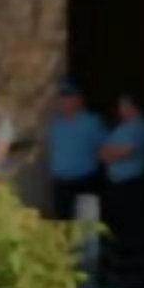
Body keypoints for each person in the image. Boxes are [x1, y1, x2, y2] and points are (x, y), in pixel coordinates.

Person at [96, 93, 144, 288]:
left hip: (132, 186)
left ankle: (135, 276)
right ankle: (117, 271)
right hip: (115, 186)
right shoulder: (121, 128)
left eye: (124, 106)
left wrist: (111, 152)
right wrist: (110, 153)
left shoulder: (142, 128)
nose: (121, 110)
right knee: (114, 230)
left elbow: (125, 152)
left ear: (134, 107)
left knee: (131, 230)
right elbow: (102, 153)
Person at [45, 77, 107, 222]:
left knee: (86, 224)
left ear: (79, 99)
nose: (63, 101)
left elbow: (105, 150)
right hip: (61, 184)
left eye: (68, 96)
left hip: (85, 182)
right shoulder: (54, 123)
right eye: (61, 97)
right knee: (63, 224)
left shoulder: (92, 122)